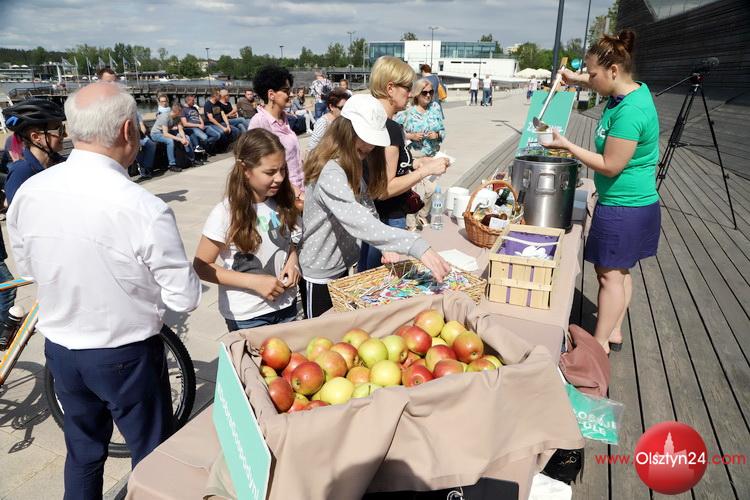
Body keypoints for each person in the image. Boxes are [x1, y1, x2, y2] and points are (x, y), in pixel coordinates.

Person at [6, 81, 201, 498]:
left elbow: (28, 268)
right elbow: (184, 297)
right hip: (125, 353)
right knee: (152, 456)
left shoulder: (30, 192)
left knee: (83, 453)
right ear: (128, 130)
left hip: (61, 349)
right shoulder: (143, 207)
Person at [544, 30, 660, 355]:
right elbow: (594, 78)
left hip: (625, 206)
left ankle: (599, 345)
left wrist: (566, 145)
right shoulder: (626, 92)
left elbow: (610, 165)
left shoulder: (630, 112)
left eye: (592, 74)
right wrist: (574, 78)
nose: (589, 80)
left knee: (608, 276)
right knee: (620, 271)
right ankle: (615, 331)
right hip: (634, 203)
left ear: (613, 70)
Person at [300, 94, 450, 317]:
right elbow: (358, 220)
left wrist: (385, 245)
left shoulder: (351, 161)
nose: (366, 153)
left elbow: (367, 206)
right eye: (362, 149)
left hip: (340, 264)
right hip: (320, 272)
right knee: (320, 329)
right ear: (346, 132)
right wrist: (415, 244)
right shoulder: (331, 171)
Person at [193, 129, 300, 331]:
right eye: (270, 172)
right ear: (245, 169)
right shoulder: (225, 213)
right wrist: (254, 282)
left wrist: (293, 261)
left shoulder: (281, 202)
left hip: (287, 306)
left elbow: (288, 242)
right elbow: (202, 266)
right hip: (249, 317)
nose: (279, 178)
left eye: (282, 170)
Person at [359, 56, 449, 269]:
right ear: (390, 88)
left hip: (372, 219)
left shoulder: (375, 123)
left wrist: (416, 163)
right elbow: (384, 189)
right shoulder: (390, 128)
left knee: (367, 275)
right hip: (387, 218)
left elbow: (384, 170)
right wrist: (426, 170)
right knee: (384, 281)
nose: (410, 94)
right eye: (407, 88)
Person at [248, 65, 304, 195]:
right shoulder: (260, 121)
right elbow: (255, 164)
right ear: (271, 94)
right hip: (282, 193)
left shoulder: (284, 119)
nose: (290, 95)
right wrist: (292, 190)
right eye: (286, 91)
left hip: (299, 188)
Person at [2, 98, 67, 206]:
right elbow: (16, 212)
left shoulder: (63, 163)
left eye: (63, 129)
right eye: (59, 130)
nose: (65, 135)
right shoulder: (21, 172)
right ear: (36, 137)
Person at [395, 78, 446, 158]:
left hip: (434, 155)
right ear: (417, 94)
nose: (428, 95)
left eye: (431, 92)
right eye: (424, 93)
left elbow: (442, 130)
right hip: (414, 156)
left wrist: (437, 135)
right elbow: (395, 134)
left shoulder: (435, 107)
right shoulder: (406, 111)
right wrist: (411, 136)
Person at [150, 102, 194, 172]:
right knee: (170, 141)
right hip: (156, 134)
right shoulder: (165, 116)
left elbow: (180, 130)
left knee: (187, 137)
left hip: (167, 132)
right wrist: (180, 139)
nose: (183, 113)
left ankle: (191, 159)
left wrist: (184, 139)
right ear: (177, 111)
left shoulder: (178, 117)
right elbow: (165, 134)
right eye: (181, 112)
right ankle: (172, 165)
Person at [307, 87, 349, 152]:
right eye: (341, 108)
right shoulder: (323, 122)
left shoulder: (344, 119)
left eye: (347, 107)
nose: (345, 111)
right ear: (331, 107)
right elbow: (312, 147)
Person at [136, 112, 157, 179]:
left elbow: (142, 125)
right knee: (135, 148)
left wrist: (141, 134)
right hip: (129, 137)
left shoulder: (136, 112)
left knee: (151, 145)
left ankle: (147, 167)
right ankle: (143, 169)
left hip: (139, 135)